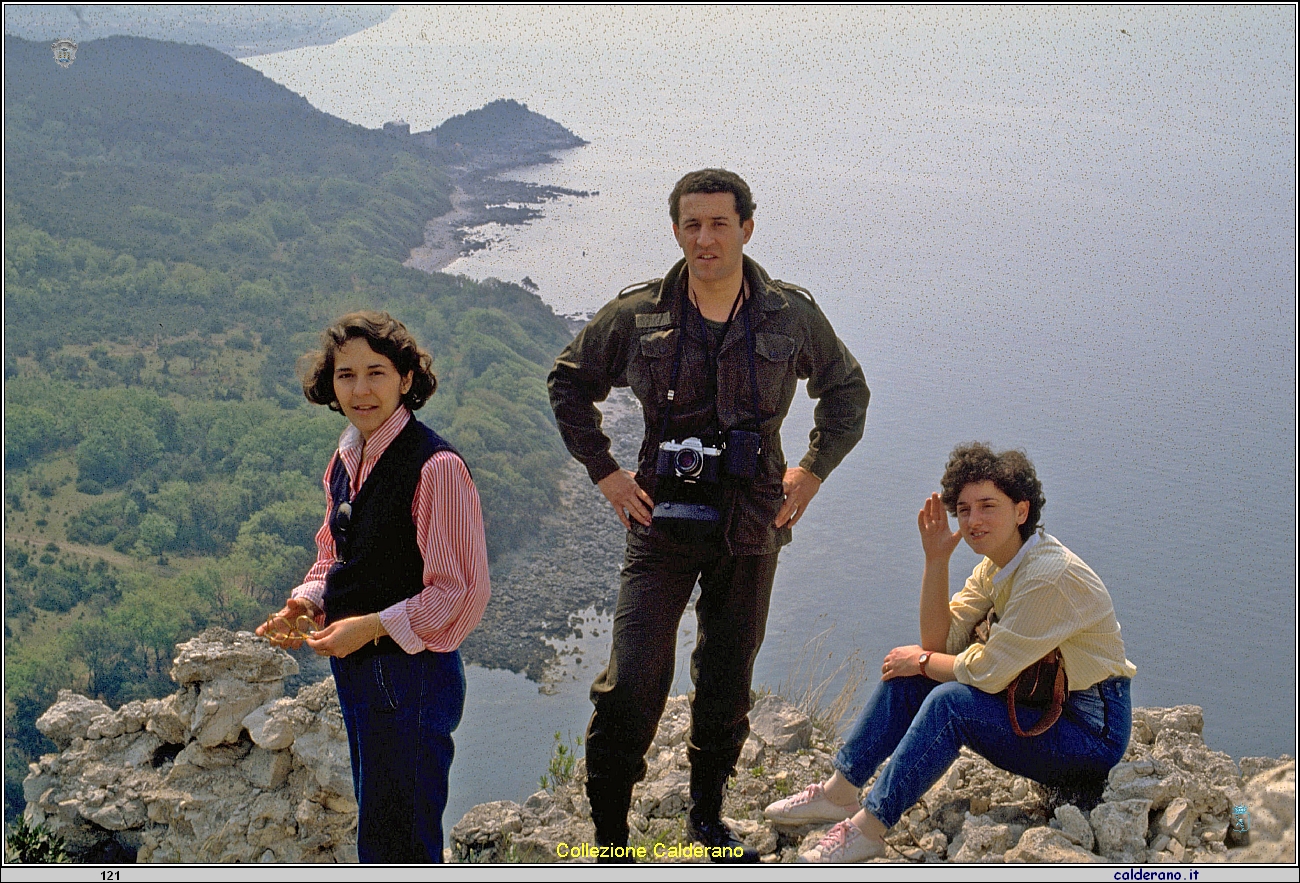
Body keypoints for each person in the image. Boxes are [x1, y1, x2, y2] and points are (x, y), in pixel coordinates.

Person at [548, 169, 870, 862]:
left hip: (752, 524)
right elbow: (568, 382)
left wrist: (812, 470)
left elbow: (846, 391)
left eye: (719, 223)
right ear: (676, 231)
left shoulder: (789, 316)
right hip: (660, 520)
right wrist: (605, 472)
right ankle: (610, 846)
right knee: (631, 684)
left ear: (747, 228)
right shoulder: (639, 315)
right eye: (691, 225)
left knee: (726, 682)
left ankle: (706, 822)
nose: (705, 238)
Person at [764, 442, 1137, 863]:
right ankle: (838, 794)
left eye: (987, 506)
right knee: (911, 675)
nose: (973, 520)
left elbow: (986, 674)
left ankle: (869, 829)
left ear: (1021, 511)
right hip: (1042, 707)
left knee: (950, 703)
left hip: (1089, 735)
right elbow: (939, 645)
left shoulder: (1048, 576)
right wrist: (936, 559)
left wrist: (922, 661)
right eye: (964, 509)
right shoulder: (998, 565)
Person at [257, 311, 490, 863]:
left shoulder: (435, 467)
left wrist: (370, 627)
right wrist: (306, 602)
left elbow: (461, 593)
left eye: (376, 373)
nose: (360, 390)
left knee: (399, 842)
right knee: (381, 829)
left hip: (413, 677)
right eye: (346, 375)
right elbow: (336, 553)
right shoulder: (348, 455)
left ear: (406, 379)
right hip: (361, 669)